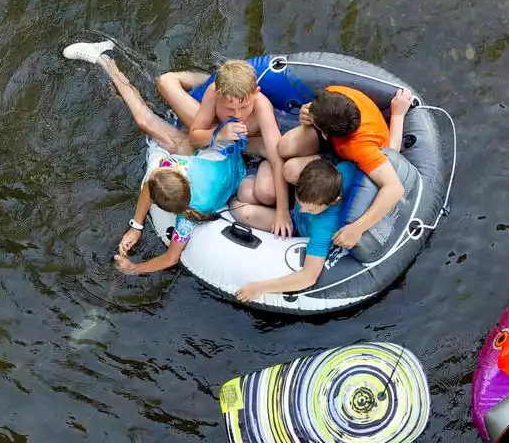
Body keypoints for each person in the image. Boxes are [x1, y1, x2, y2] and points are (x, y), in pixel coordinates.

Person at [62, 40, 245, 274]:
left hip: (220, 160)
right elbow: (170, 256)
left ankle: (105, 60)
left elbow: (171, 258)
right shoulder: (186, 183)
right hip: (222, 158)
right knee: (148, 124)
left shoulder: (184, 205)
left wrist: (133, 265)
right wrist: (137, 229)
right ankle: (105, 60)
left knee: (145, 121)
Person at [156, 61, 288, 237]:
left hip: (251, 143)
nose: (238, 115)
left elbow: (277, 157)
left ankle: (206, 78)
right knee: (164, 82)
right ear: (218, 95)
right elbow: (194, 137)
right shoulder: (213, 93)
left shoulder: (261, 105)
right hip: (219, 133)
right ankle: (202, 77)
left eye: (244, 107)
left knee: (268, 179)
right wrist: (217, 134)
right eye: (229, 109)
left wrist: (282, 210)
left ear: (256, 93)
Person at [276, 85, 413, 250]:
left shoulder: (362, 148)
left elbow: (395, 188)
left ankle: (321, 197)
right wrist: (306, 114)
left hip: (345, 157)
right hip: (333, 137)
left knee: (290, 171)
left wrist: (358, 228)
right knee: (284, 147)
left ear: (325, 133)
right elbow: (316, 109)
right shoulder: (332, 97)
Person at [234, 159, 360, 302]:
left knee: (245, 213)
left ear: (334, 200)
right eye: (301, 202)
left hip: (295, 226)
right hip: (289, 212)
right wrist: (288, 208)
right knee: (248, 191)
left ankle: (232, 202)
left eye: (311, 209)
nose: (304, 210)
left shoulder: (323, 227)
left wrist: (260, 288)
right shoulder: (343, 170)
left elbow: (309, 276)